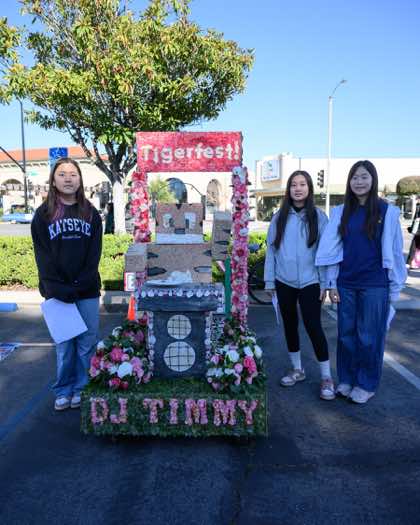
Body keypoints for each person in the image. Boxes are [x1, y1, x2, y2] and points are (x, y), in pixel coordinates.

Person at [316, 160, 407, 404]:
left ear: (373, 179)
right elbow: (333, 249)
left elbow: (395, 251)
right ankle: (346, 379)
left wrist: (395, 287)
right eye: (354, 177)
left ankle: (366, 384)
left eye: (364, 176)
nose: (359, 182)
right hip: (346, 282)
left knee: (369, 337)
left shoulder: (387, 212)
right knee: (346, 335)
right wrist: (331, 282)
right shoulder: (341, 211)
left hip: (375, 284)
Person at [31, 157, 103, 411]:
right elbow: (42, 255)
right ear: (53, 180)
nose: (68, 178)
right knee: (64, 346)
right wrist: (56, 287)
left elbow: (94, 254)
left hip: (87, 290)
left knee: (86, 343)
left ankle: (82, 388)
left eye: (73, 174)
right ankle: (63, 389)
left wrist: (80, 283)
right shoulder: (43, 215)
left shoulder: (90, 213)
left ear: (80, 179)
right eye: (62, 174)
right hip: (57, 291)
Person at [264, 171, 335, 401]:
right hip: (284, 281)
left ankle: (326, 377)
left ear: (309, 188)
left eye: (302, 184)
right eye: (293, 185)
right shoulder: (279, 217)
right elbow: (271, 251)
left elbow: (326, 254)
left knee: (314, 326)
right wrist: (269, 280)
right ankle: (297, 369)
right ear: (288, 189)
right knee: (290, 325)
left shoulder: (319, 216)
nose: (298, 188)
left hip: (311, 281)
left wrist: (325, 283)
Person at [406, 197, 420, 269]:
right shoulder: (418, 206)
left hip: (418, 230)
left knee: (414, 246)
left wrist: (412, 228)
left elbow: (416, 219)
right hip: (417, 230)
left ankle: (410, 262)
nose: (417, 200)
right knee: (415, 246)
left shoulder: (418, 206)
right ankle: (411, 262)